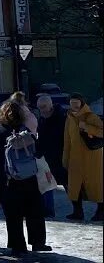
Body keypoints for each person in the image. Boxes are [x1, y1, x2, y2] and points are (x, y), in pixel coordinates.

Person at [0, 100, 51, 254]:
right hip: (30, 177)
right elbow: (38, 151)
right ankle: (38, 242)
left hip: (10, 180)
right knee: (35, 211)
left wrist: (0, 181)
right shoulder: (25, 130)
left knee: (13, 215)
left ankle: (18, 245)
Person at [62, 93, 104, 222]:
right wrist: (65, 158)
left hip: (92, 159)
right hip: (75, 158)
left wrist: (86, 127)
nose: (74, 105)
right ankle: (77, 212)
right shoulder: (69, 117)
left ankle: (101, 212)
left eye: (76, 102)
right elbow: (67, 139)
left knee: (96, 187)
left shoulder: (91, 116)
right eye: (72, 102)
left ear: (81, 103)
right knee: (75, 187)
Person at [35, 94, 68, 218]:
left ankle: (78, 209)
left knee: (68, 182)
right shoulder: (42, 119)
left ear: (50, 105)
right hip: (47, 156)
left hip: (61, 155)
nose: (41, 109)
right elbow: (42, 137)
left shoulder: (62, 117)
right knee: (47, 182)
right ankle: (48, 210)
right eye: (39, 107)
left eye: (43, 107)